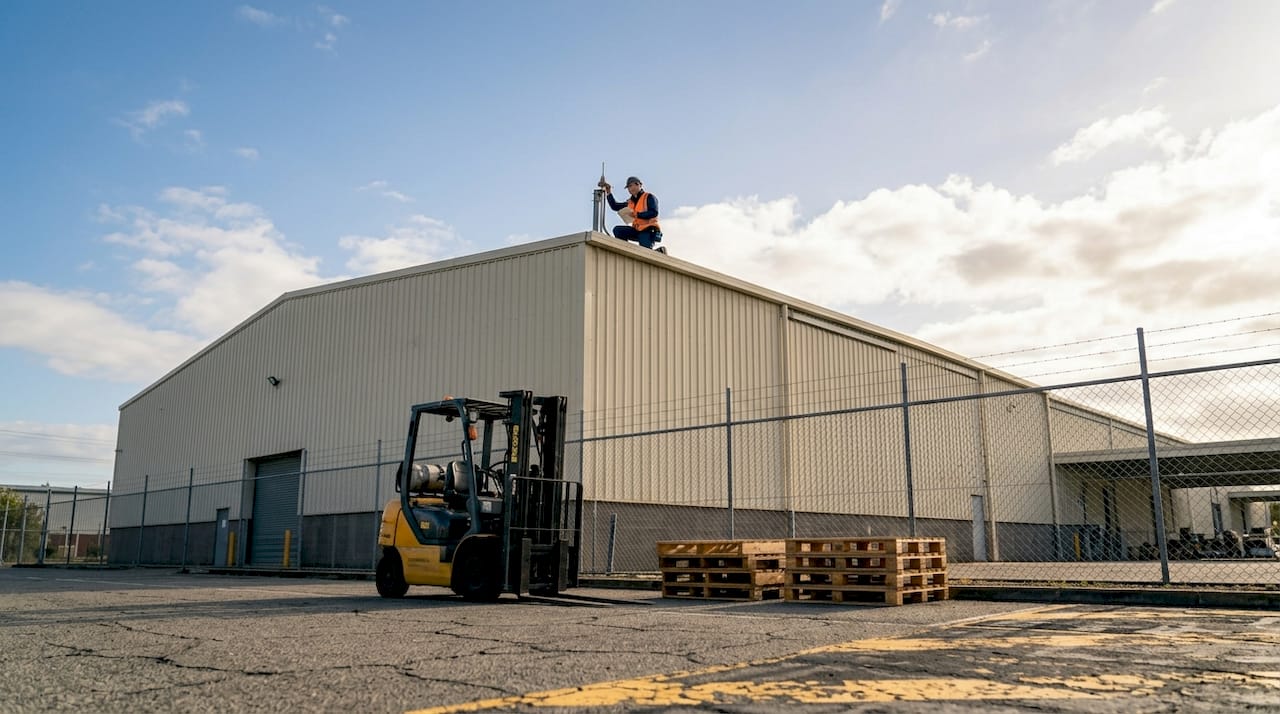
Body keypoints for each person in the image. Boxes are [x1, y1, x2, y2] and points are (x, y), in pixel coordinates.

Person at [600, 176, 665, 253]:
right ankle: (626, 252)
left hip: (648, 230)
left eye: (631, 185)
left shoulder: (649, 197)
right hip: (637, 230)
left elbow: (654, 212)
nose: (630, 189)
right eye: (628, 187)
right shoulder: (630, 202)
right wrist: (608, 192)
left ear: (639, 185)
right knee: (618, 230)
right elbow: (615, 206)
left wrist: (637, 215)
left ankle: (660, 252)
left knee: (646, 253)